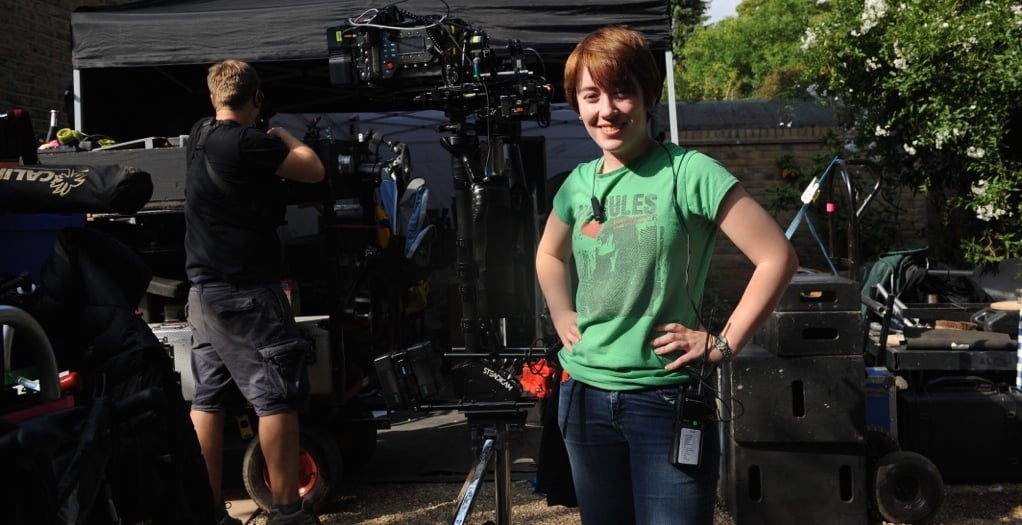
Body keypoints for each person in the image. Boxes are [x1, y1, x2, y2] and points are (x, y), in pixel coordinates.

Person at [534, 26, 799, 525]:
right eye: (591, 96)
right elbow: (549, 253)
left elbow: (777, 257)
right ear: (576, 104)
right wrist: (562, 312)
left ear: (648, 96)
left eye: (622, 92)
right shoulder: (578, 184)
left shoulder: (691, 172)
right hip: (584, 396)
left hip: (665, 398)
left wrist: (722, 343)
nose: (607, 110)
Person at [184, 59, 326, 525]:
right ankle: (287, 512)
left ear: (213, 98)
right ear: (257, 98)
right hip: (247, 294)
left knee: (208, 401)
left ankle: (206, 512)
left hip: (202, 296)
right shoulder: (249, 143)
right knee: (276, 398)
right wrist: (283, 135)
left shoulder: (199, 134)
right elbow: (313, 170)